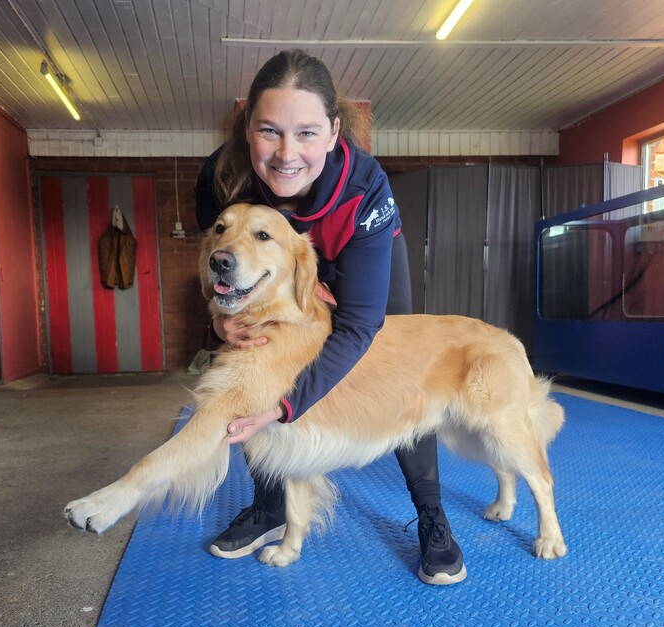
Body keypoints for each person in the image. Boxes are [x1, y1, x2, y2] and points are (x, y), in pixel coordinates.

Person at [193, 49, 465, 585]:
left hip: (355, 255)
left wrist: (289, 405)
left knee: (401, 377)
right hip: (278, 268)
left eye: (307, 133)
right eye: (269, 131)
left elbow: (360, 326)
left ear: (335, 130)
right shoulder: (220, 179)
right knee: (254, 366)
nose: (287, 154)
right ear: (247, 128)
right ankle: (271, 507)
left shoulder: (366, 188)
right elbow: (221, 279)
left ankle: (431, 515)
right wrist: (221, 322)